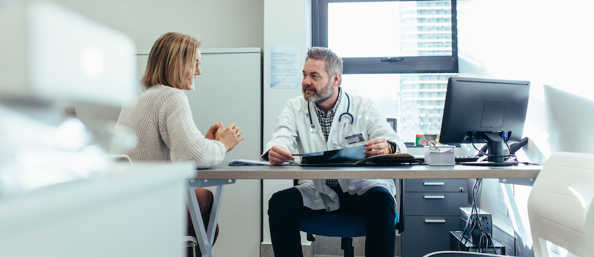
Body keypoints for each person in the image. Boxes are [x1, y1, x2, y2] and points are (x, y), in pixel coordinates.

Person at [262, 47, 407, 257]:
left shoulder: (363, 107)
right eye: (304, 74)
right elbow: (281, 137)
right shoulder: (295, 107)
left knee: (382, 201)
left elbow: (395, 143)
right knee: (279, 203)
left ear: (335, 79)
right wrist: (275, 151)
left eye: (314, 76)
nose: (306, 82)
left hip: (362, 190)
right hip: (320, 191)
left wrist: (387, 147)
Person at [113, 32, 243, 256]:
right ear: (177, 62)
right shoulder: (171, 96)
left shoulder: (136, 97)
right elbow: (191, 157)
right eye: (195, 64)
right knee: (206, 205)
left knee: (206, 227)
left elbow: (178, 150)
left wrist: (204, 143)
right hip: (150, 207)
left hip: (123, 205)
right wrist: (223, 145)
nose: (199, 72)